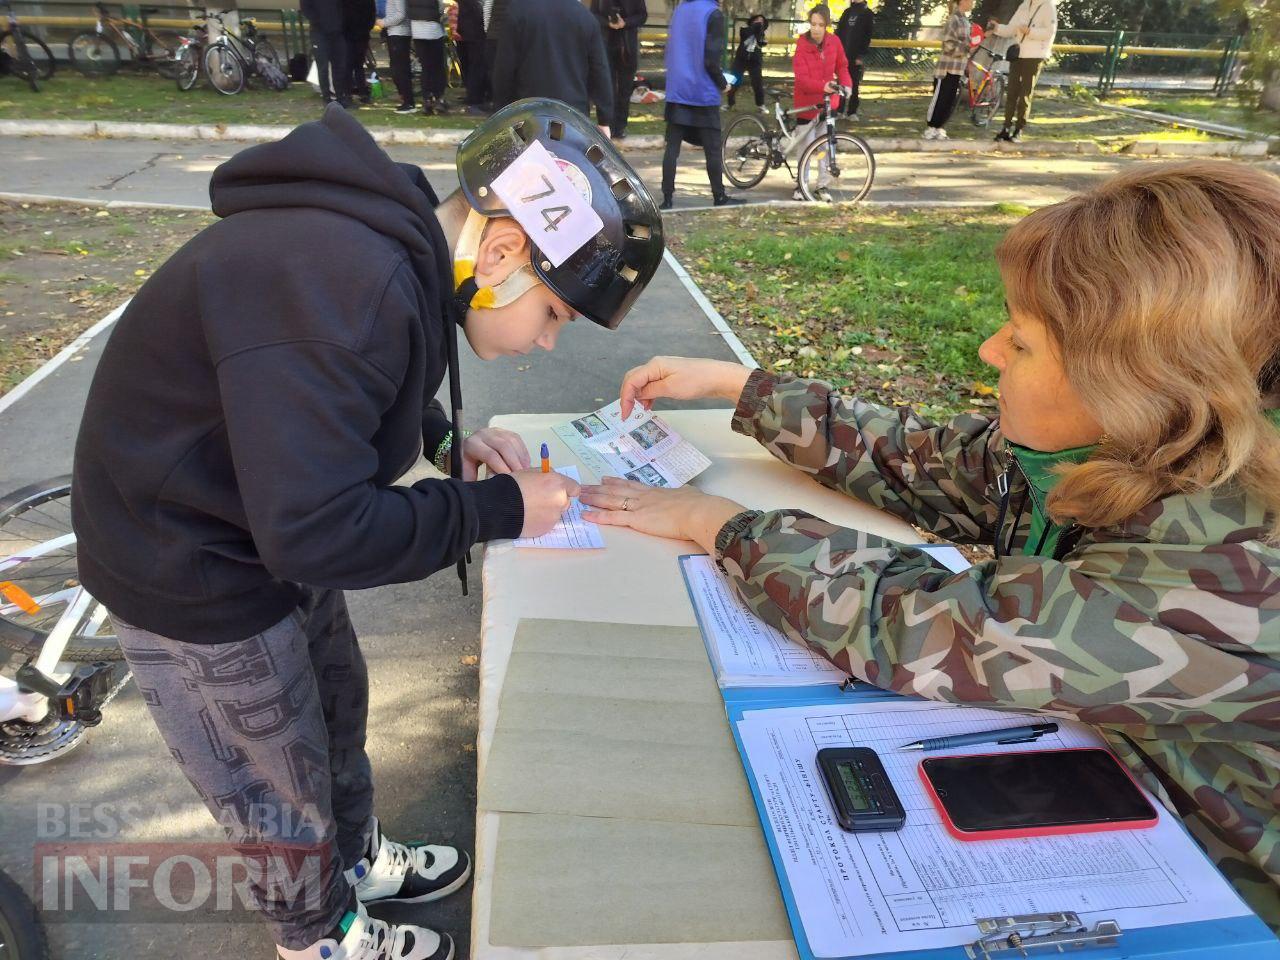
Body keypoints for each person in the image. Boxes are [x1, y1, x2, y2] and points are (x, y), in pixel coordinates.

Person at [580, 161, 1280, 931]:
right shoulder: (1153, 449)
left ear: (1136, 386)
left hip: (1219, 893)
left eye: (1021, 343)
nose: (988, 351)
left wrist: (716, 524)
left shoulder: (1226, 564)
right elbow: (935, 463)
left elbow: (923, 626)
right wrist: (742, 389)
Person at [71, 100, 665, 960]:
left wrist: (442, 439)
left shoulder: (391, 256)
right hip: (186, 558)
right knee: (275, 780)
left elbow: (336, 390)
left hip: (253, 511)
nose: (544, 342)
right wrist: (499, 511)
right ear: (502, 253)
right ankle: (316, 935)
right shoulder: (347, 284)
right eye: (555, 315)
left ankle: (354, 860)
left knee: (334, 703)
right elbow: (316, 529)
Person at [659, 0, 743, 210]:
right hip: (703, 92)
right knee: (713, 149)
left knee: (672, 149)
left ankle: (667, 197)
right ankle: (719, 195)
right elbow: (711, 60)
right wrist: (723, 84)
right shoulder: (713, 14)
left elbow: (670, 49)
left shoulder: (680, 10)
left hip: (678, 91)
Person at [491, 0, 613, 120]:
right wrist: (604, 117)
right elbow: (599, 70)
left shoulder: (517, 10)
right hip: (573, 113)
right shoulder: (584, 16)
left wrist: (502, 110)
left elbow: (504, 69)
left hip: (529, 111)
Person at [789, 4, 851, 202]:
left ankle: (822, 185)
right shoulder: (802, 45)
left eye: (820, 25)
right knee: (806, 148)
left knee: (824, 149)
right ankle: (801, 184)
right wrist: (822, 86)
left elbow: (842, 65)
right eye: (813, 24)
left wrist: (846, 84)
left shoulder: (834, 42)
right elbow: (802, 78)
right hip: (807, 105)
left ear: (827, 26)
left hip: (828, 105)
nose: (815, 28)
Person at [989, 0, 1056, 142]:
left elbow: (1050, 32)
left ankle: (1019, 129)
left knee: (1025, 93)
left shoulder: (1047, 6)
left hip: (1035, 55)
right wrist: (996, 28)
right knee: (1012, 91)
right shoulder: (1024, 5)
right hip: (1018, 54)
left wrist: (1030, 32)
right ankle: (1005, 128)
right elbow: (1011, 28)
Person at [379, 0, 450, 114]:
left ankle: (427, 99)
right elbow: (441, 8)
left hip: (417, 31)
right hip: (434, 29)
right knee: (437, 66)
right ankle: (438, 98)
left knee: (425, 67)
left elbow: (405, 12)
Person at [591, 0, 648, 140]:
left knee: (625, 88)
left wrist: (626, 22)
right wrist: (607, 22)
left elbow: (642, 15)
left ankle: (620, 127)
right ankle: (606, 125)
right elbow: (593, 15)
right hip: (606, 45)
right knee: (606, 87)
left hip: (626, 47)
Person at [925, 0, 973, 140]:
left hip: (957, 69)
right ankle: (930, 127)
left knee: (949, 100)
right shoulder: (954, 19)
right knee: (940, 98)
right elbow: (948, 45)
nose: (973, 2)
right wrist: (966, 48)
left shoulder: (965, 20)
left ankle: (939, 127)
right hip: (946, 68)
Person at [302, 0, 351, 106]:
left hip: (337, 32)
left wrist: (340, 23)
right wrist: (318, 22)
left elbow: (344, 7)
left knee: (339, 65)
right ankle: (326, 97)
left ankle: (340, 95)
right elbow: (306, 8)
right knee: (323, 66)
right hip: (319, 32)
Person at [834, 0, 871, 119]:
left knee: (854, 84)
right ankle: (839, 110)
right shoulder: (847, 12)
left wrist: (861, 55)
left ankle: (852, 111)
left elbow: (867, 36)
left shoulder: (867, 13)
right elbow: (839, 32)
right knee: (841, 83)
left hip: (855, 57)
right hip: (843, 55)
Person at [727, 13, 767, 114]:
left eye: (761, 21)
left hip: (754, 61)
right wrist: (756, 26)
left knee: (757, 83)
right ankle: (730, 104)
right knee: (734, 81)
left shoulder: (761, 33)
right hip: (741, 60)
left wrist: (761, 36)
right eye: (757, 20)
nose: (759, 22)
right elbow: (747, 34)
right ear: (752, 21)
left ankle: (761, 105)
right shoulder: (745, 29)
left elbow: (761, 43)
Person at [455, 0, 488, 113]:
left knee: (468, 65)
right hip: (475, 31)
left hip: (461, 30)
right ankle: (475, 98)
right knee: (476, 66)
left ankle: (471, 94)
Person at [343, 0, 376, 104]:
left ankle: (356, 93)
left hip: (354, 35)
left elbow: (371, 15)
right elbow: (371, 17)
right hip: (355, 35)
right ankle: (356, 93)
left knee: (354, 65)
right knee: (354, 65)